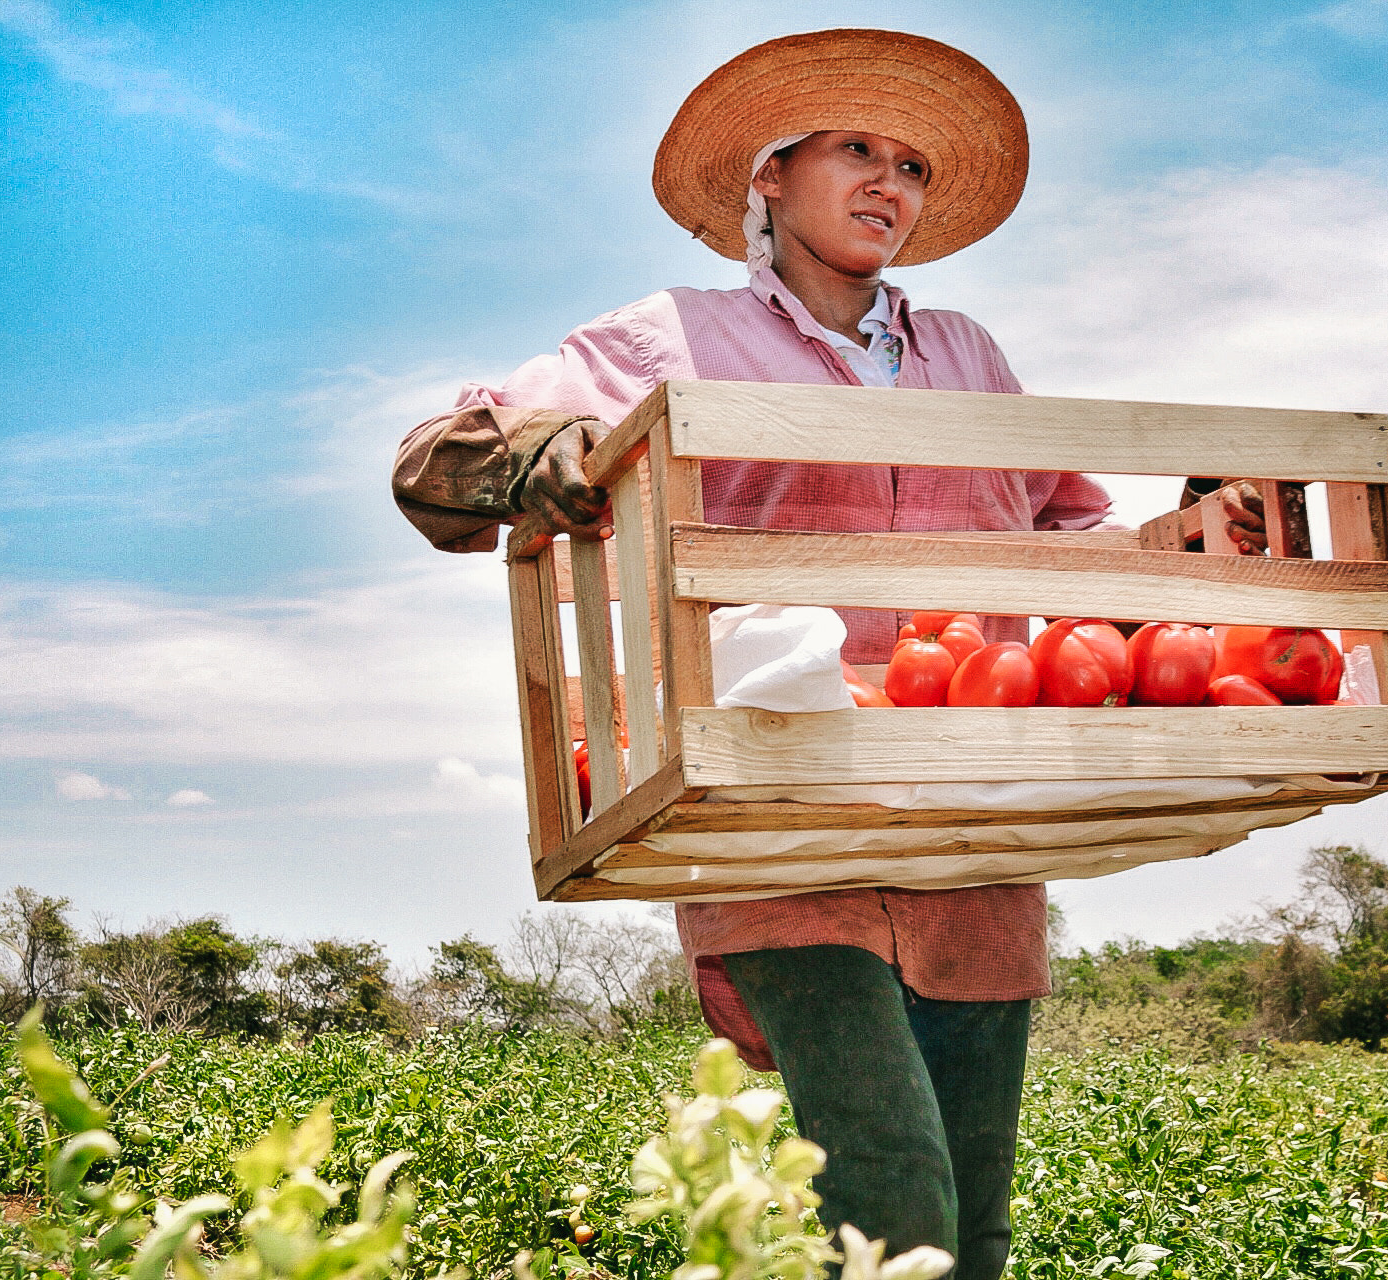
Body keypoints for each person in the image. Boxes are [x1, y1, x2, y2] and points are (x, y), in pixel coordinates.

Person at [392, 29, 1260, 1278]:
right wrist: (541, 456)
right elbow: (435, 461)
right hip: (783, 813)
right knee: (894, 1197)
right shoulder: (670, 338)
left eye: (910, 164)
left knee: (975, 1229)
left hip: (976, 832)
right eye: (857, 149)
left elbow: (1079, 551)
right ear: (770, 174)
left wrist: (1190, 537)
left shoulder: (969, 358)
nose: (888, 184)